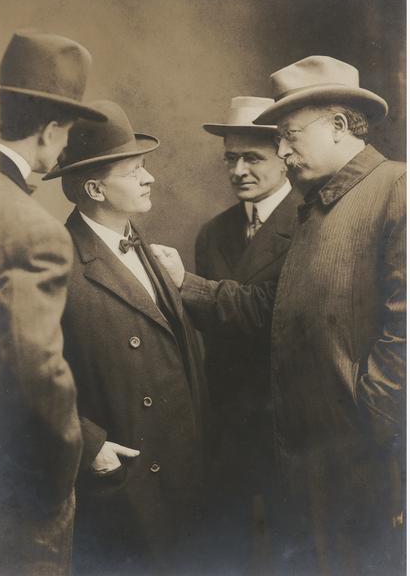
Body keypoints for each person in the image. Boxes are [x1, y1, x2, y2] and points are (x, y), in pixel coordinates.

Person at [152, 56, 406, 575]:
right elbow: (277, 308)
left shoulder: (396, 189)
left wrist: (366, 417)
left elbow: (404, 336)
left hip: (356, 454)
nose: (283, 152)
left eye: (289, 136)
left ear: (339, 126)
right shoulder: (320, 203)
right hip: (309, 456)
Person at [44, 100, 209, 575]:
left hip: (181, 471)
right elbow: (20, 375)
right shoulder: (59, 262)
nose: (149, 178)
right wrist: (89, 444)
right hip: (127, 480)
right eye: (134, 170)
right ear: (95, 187)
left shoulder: (149, 249)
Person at [0, 30, 107, 576]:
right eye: (67, 136)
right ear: (52, 129)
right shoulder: (34, 228)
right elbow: (39, 373)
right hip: (9, 494)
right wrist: (62, 476)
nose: (63, 150)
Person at [195, 96, 301, 572]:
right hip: (227, 419)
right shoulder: (213, 233)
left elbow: (276, 315)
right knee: (224, 546)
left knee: (292, 547)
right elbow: (208, 329)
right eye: (230, 159)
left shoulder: (311, 223)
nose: (238, 170)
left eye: (251, 158)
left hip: (290, 420)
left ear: (284, 154)